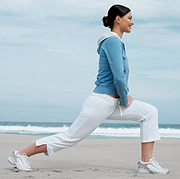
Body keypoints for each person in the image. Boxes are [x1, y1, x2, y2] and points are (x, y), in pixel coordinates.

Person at [8, 4, 169, 174]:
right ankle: (20, 154)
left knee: (150, 112)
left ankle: (146, 162)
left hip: (114, 103)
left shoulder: (116, 42)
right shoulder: (112, 41)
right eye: (129, 18)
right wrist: (124, 97)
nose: (132, 22)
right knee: (69, 138)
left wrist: (122, 98)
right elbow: (118, 77)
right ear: (118, 19)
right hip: (101, 102)